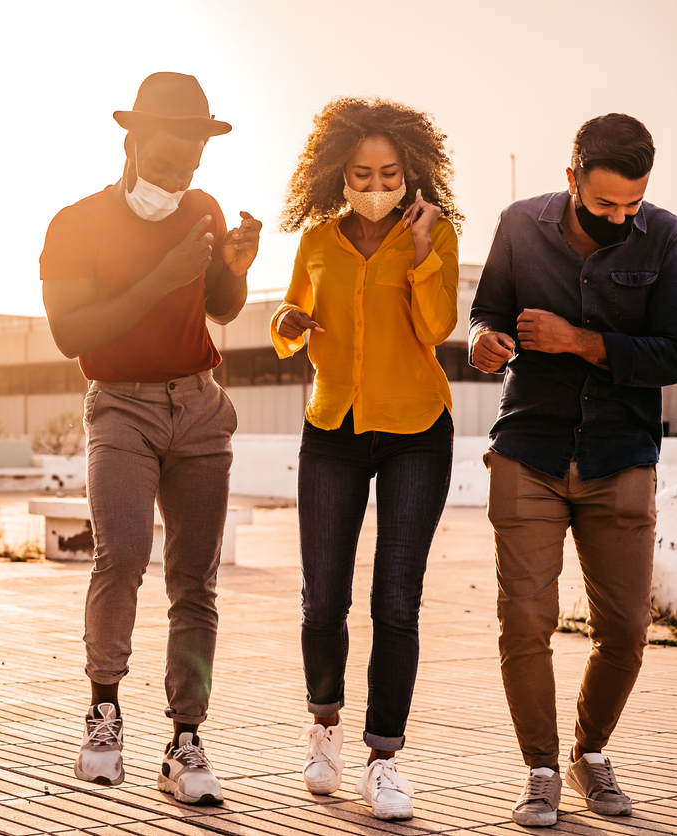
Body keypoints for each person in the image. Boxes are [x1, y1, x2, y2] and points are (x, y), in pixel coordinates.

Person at [40, 72, 260, 805]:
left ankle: (185, 741)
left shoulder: (202, 207)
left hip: (198, 407)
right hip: (122, 408)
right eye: (166, 161)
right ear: (131, 141)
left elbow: (219, 307)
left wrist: (233, 266)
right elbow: (74, 332)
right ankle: (103, 714)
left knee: (194, 581)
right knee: (124, 553)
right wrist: (161, 276)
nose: (179, 178)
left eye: (192, 165)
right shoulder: (74, 224)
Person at [470, 113, 676, 828]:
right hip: (529, 448)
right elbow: (483, 316)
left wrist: (581, 341)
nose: (622, 218)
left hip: (621, 454)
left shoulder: (668, 236)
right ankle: (541, 768)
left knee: (623, 630)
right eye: (604, 205)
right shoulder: (520, 226)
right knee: (524, 622)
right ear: (572, 179)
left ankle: (591, 754)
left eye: (633, 204)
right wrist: (485, 345)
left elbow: (672, 353)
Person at [271, 97, 462, 821]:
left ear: (410, 172)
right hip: (334, 429)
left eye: (388, 172)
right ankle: (324, 727)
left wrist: (418, 255)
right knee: (324, 597)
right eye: (361, 172)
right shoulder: (318, 240)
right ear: (338, 174)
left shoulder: (434, 238)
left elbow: (438, 326)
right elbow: (291, 317)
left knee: (396, 601)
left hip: (416, 428)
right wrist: (285, 324)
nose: (376, 183)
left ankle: (384, 760)